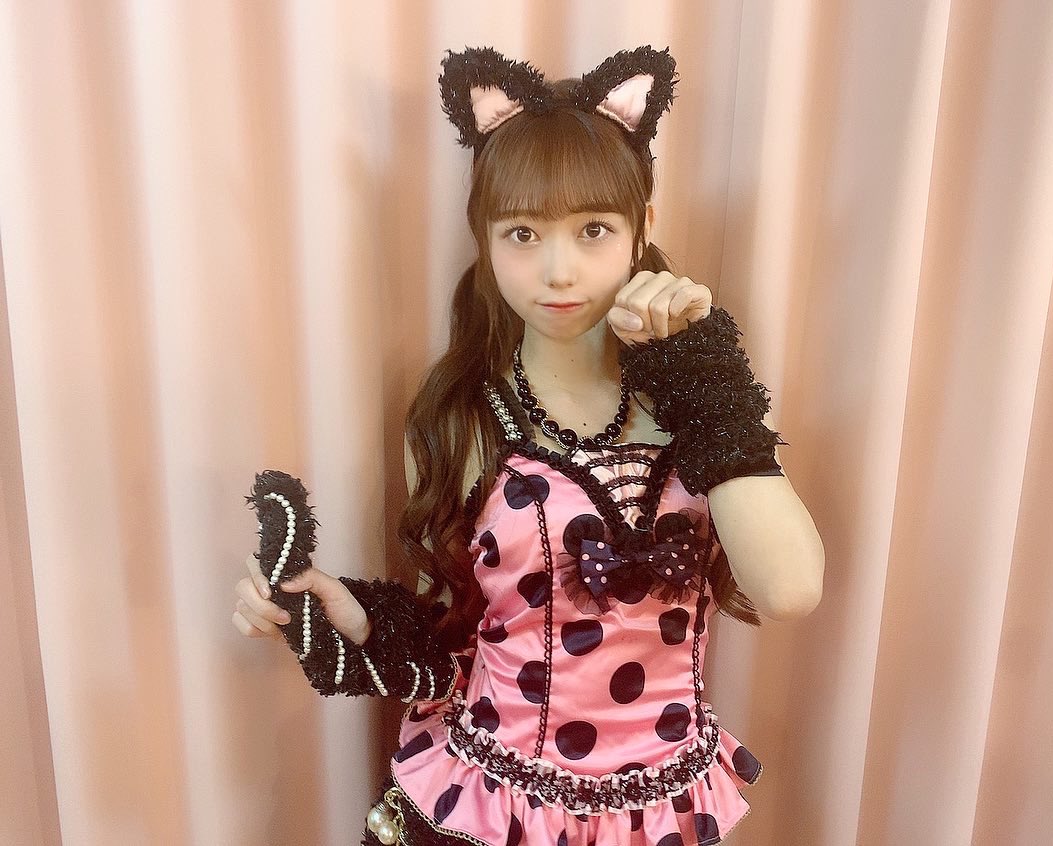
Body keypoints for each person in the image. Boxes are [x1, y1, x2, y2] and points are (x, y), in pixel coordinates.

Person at [232, 44, 824, 846]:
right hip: (493, 810)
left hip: (658, 819)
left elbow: (789, 588)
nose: (558, 270)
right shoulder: (459, 420)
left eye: (593, 230)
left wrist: (701, 366)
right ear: (484, 239)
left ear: (643, 229)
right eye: (522, 233)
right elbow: (455, 637)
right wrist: (353, 613)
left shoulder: (703, 398)